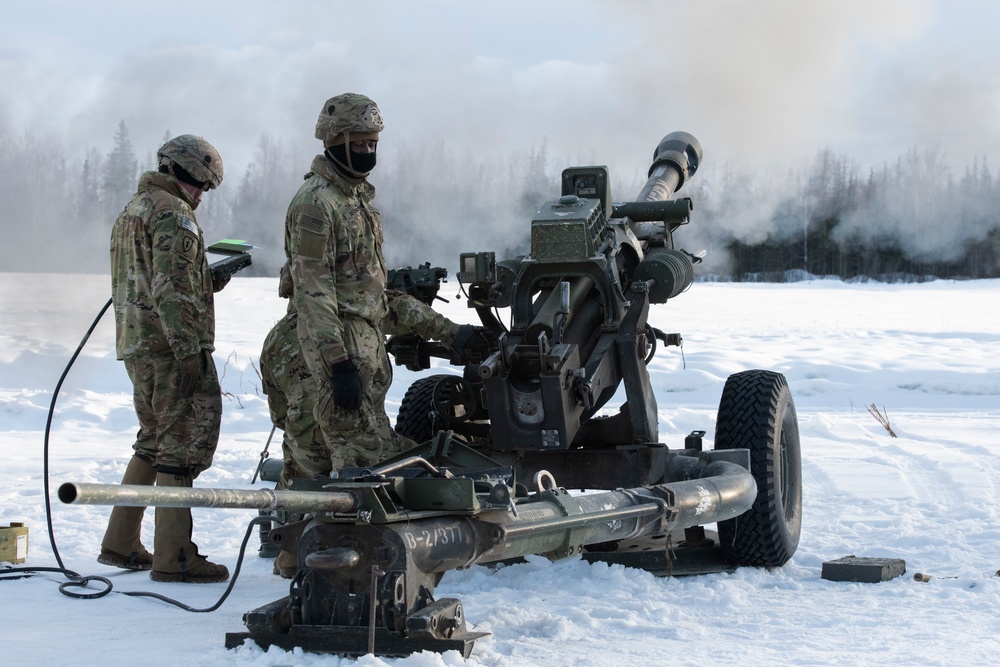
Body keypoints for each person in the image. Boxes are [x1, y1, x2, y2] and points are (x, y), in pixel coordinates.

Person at [261, 93, 491, 577]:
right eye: (359, 142)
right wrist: (338, 363)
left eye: (373, 143)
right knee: (372, 467)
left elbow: (376, 299)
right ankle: (348, 568)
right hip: (320, 353)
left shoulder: (356, 203)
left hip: (337, 348)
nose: (368, 152)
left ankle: (294, 557)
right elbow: (314, 295)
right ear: (334, 141)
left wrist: (453, 335)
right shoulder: (315, 206)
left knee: (313, 462)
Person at [100, 134, 230, 583]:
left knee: (153, 440)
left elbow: (153, 278)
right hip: (170, 348)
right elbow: (170, 289)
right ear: (181, 172)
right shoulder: (173, 214)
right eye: (199, 184)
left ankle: (119, 543)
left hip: (138, 345)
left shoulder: (134, 208)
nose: (200, 195)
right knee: (178, 447)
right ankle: (174, 556)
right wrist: (189, 349)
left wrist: (205, 281)